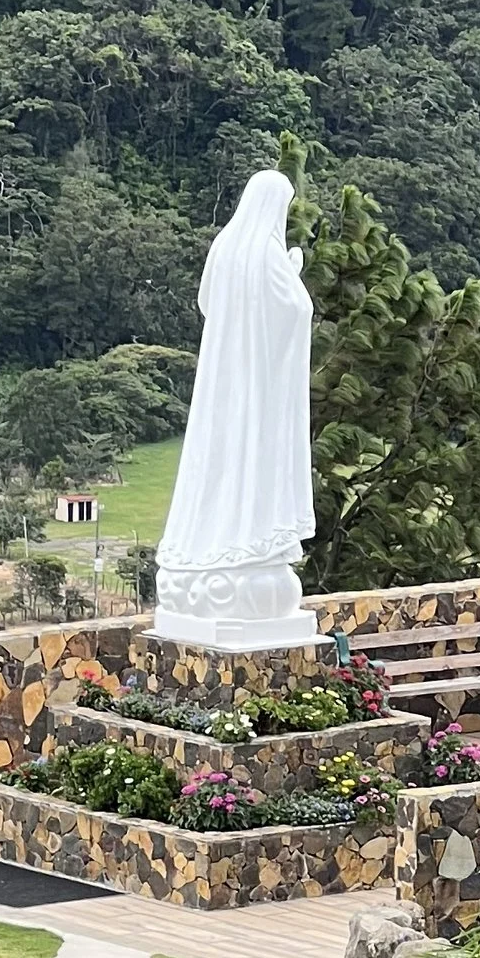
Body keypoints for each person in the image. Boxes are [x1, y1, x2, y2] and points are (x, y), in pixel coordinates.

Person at [150, 169, 318, 648]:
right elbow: (297, 310)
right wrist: (292, 272)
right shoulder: (266, 251)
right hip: (257, 387)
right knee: (251, 467)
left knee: (217, 464)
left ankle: (202, 555)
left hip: (223, 381)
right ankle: (242, 553)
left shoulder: (225, 245)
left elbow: (207, 302)